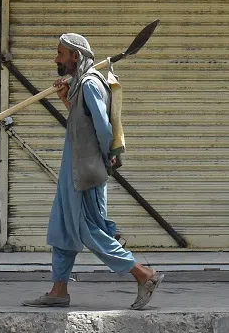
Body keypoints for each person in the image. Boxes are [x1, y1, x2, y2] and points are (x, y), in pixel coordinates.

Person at [22, 33, 163, 310]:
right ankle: (59, 289)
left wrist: (108, 155)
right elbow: (81, 123)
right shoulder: (79, 87)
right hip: (73, 170)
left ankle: (143, 274)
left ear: (75, 56)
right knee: (64, 227)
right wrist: (65, 99)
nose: (57, 59)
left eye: (61, 53)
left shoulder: (89, 84)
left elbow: (102, 126)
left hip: (84, 172)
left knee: (87, 230)